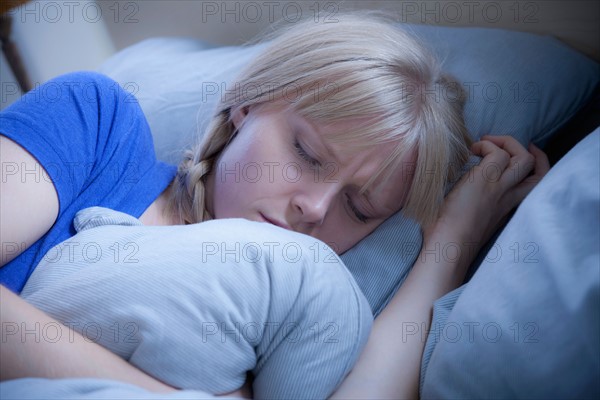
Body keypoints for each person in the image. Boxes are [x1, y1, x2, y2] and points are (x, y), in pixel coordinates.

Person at [0, 11, 548, 399]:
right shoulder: (97, 126)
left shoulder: (293, 318)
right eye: (308, 155)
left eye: (359, 210)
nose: (313, 208)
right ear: (249, 100)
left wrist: (449, 249)